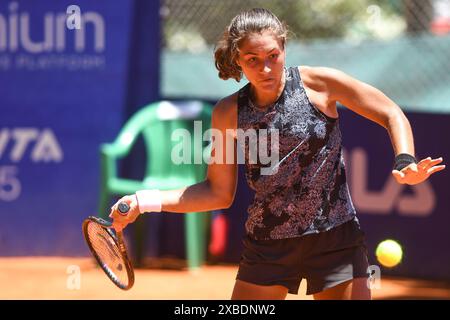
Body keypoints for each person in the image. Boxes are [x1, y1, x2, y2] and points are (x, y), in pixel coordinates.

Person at [109, 8, 445, 300]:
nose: (266, 68)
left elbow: (390, 112)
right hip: (268, 246)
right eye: (252, 60)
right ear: (238, 60)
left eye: (273, 55)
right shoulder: (229, 112)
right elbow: (217, 192)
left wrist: (406, 159)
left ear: (284, 47)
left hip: (336, 239)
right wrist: (144, 200)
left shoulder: (321, 84)